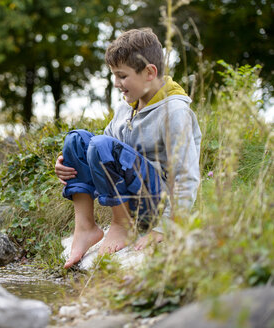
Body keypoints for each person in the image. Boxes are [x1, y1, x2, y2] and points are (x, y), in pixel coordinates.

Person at [55, 28, 202, 269]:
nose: (116, 84)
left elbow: (187, 176)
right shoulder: (127, 107)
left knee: (101, 145)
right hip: (130, 193)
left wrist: (165, 227)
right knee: (77, 140)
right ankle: (85, 228)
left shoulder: (175, 113)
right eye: (114, 76)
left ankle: (122, 225)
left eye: (122, 76)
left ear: (149, 72)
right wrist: (72, 164)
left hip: (156, 202)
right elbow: (98, 150)